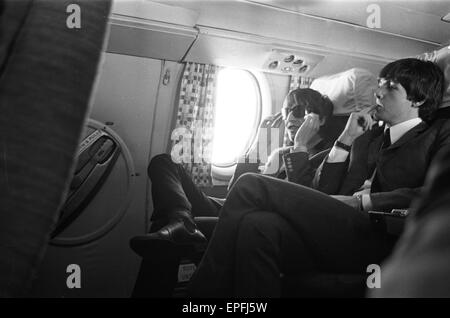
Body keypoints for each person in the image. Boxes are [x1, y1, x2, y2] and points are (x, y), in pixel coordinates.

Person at [187, 58, 450, 297]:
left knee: (250, 185)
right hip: (344, 226)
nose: (378, 92)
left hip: (386, 234)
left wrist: (362, 203)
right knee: (258, 225)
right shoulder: (366, 135)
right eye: (379, 84)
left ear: (418, 100)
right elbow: (321, 188)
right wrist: (345, 138)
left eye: (391, 87)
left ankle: (201, 295)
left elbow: (435, 195)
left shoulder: (439, 133)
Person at [134, 88, 338, 249]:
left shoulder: (329, 157)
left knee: (162, 223)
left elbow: (302, 200)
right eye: (286, 111)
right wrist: (259, 143)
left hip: (252, 219)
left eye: (298, 111)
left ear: (320, 119)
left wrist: (300, 145)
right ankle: (182, 220)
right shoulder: (280, 153)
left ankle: (180, 224)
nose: (289, 118)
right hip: (229, 206)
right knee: (164, 162)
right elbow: (236, 191)